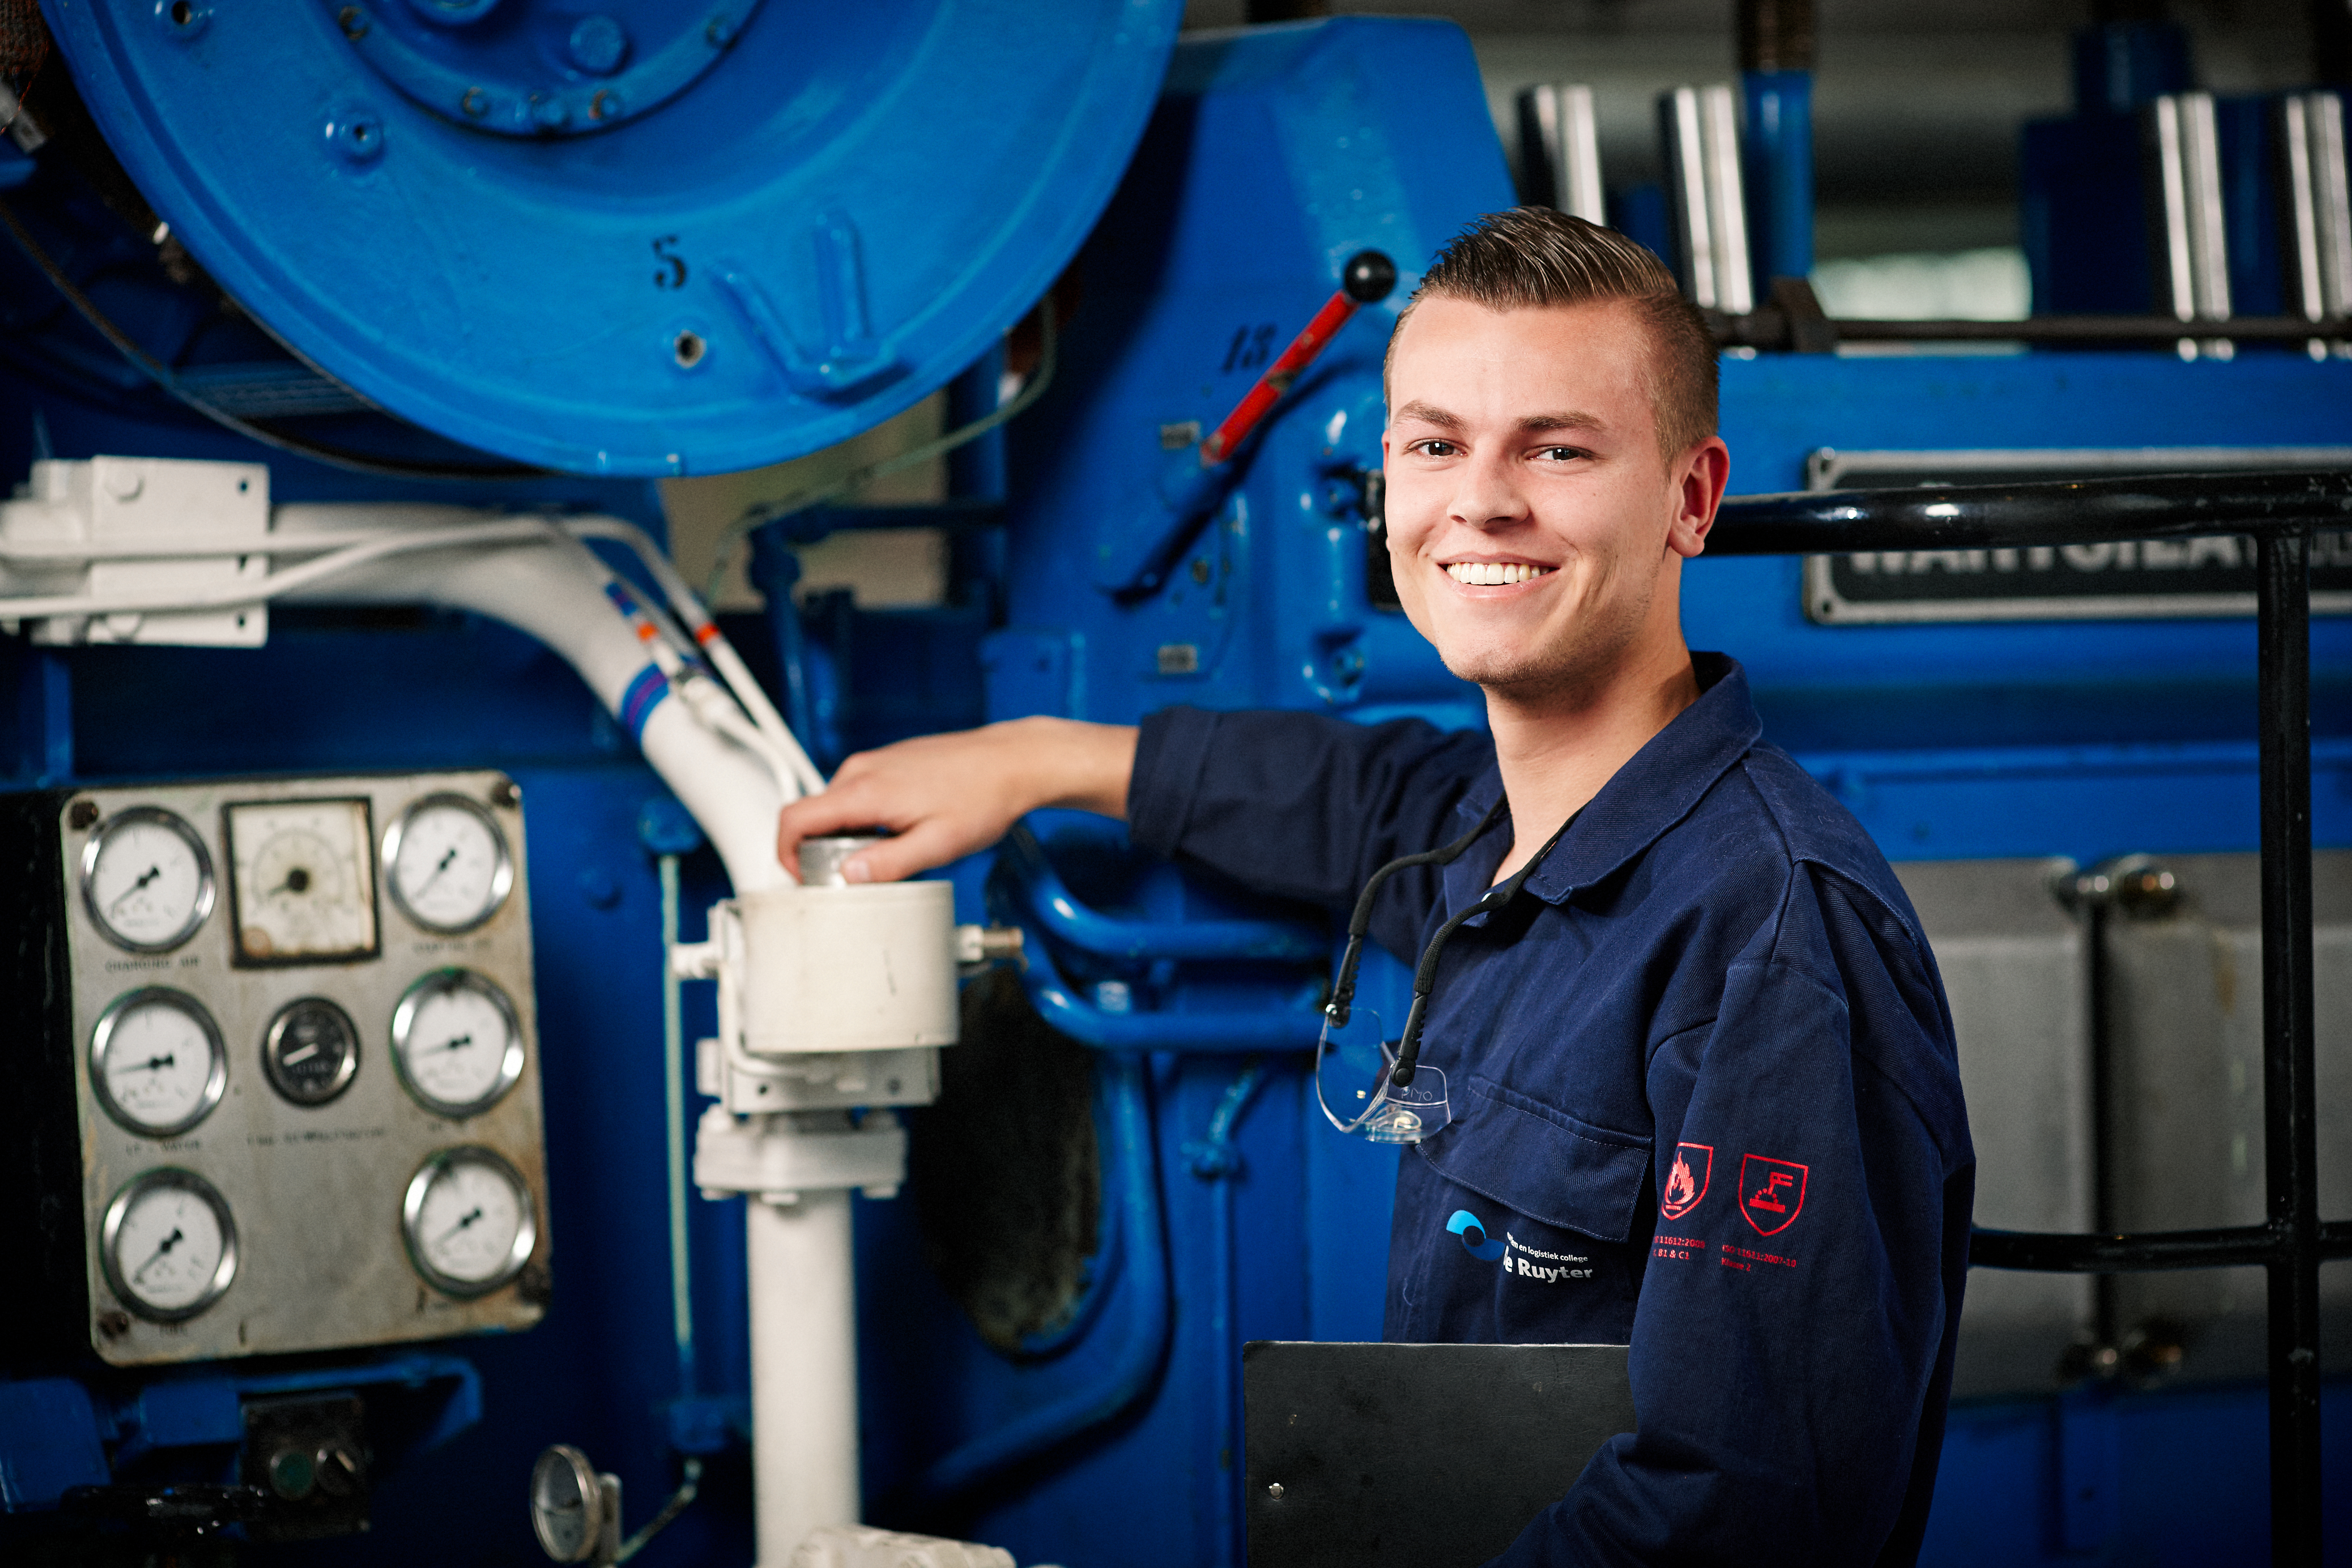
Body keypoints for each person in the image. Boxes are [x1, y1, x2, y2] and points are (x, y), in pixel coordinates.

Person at [774, 208, 1975, 1567]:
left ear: (1690, 499)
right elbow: (1357, 800)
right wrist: (1037, 759)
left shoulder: (1763, 932)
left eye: (1558, 449)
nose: (1481, 503)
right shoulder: (1500, 831)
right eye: (1434, 444)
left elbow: (1744, 1513)